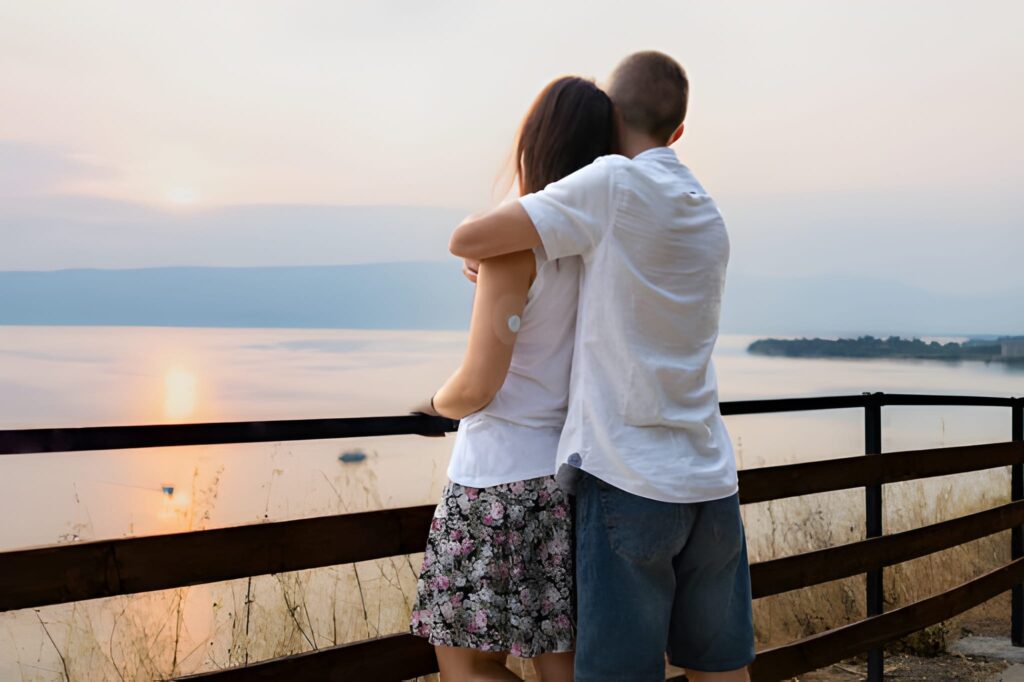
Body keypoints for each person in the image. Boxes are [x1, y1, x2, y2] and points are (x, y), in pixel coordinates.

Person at [449, 52, 755, 682]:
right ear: (678, 132)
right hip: (710, 479)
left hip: (630, 481)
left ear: (613, 117)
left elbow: (469, 236)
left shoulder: (612, 182)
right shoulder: (706, 209)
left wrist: (488, 256)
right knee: (720, 669)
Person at [409, 75, 617, 681]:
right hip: (568, 481)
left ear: (533, 143)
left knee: (467, 666)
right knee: (562, 669)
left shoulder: (511, 246)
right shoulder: (601, 249)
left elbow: (478, 385)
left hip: (495, 483)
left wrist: (429, 402)